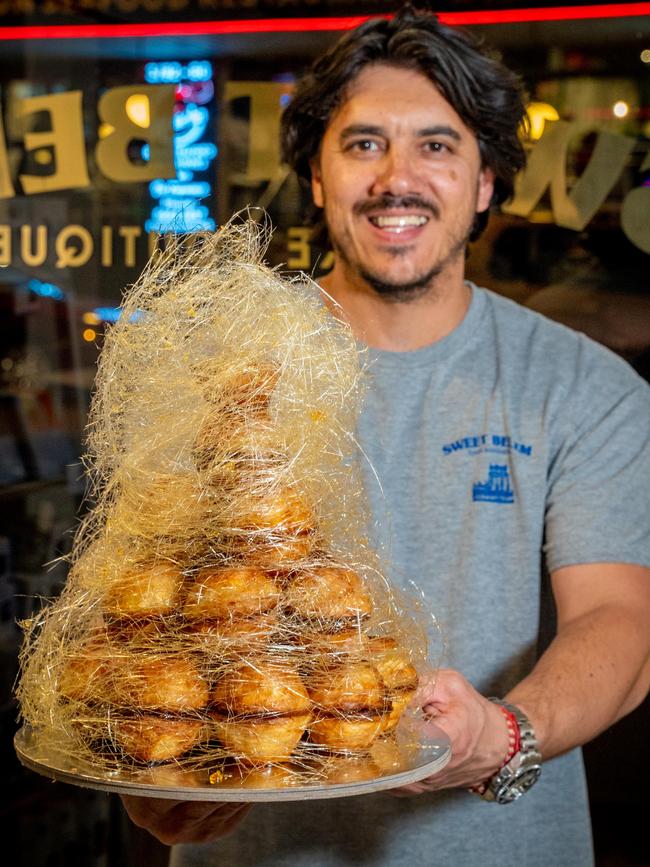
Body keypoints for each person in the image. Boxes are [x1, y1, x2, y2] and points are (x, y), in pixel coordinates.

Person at [122, 6, 650, 865]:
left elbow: (623, 622)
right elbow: (152, 614)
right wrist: (155, 775)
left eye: (437, 145)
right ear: (319, 179)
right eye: (363, 144)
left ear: (485, 182)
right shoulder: (220, 376)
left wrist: (506, 731)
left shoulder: (581, 386)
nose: (397, 178)